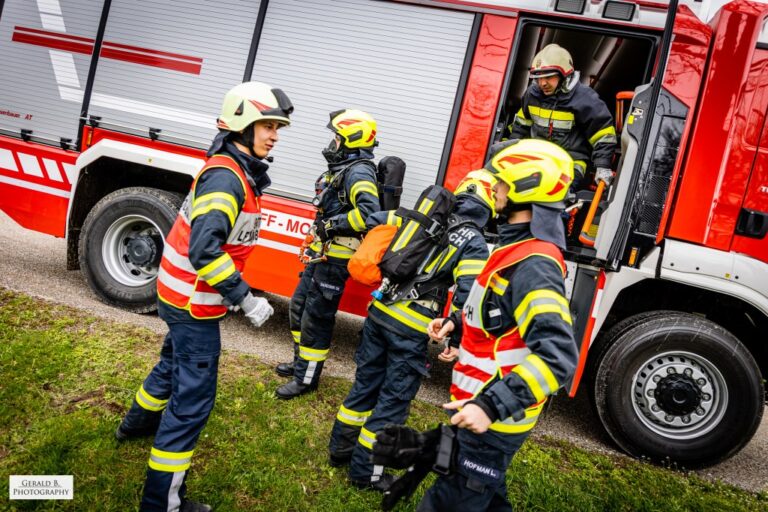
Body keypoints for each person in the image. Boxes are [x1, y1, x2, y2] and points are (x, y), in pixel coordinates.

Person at [114, 81, 293, 512]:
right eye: (267, 126)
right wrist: (245, 297)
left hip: (179, 297)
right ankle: (163, 504)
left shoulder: (232, 169)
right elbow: (205, 250)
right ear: (241, 126)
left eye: (277, 128)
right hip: (193, 304)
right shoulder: (227, 179)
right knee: (191, 405)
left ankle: (134, 426)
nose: (274, 135)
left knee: (170, 364)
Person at [419, 138, 579, 511]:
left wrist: (490, 406)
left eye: (503, 182)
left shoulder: (535, 264)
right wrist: (456, 323)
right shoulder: (514, 248)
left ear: (526, 186)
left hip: (492, 422)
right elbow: (498, 315)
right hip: (479, 410)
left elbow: (558, 356)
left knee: (448, 503)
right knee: (488, 499)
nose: (495, 189)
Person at [328, 170, 497, 490]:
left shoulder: (421, 215)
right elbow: (468, 296)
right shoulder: (473, 241)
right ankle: (366, 474)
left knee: (364, 386)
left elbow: (373, 219)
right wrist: (456, 337)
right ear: (489, 203)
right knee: (392, 401)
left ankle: (340, 450)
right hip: (411, 327)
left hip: (379, 312)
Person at [275, 109, 381, 399]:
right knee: (299, 307)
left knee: (317, 317)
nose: (332, 143)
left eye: (336, 137)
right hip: (321, 253)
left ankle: (307, 379)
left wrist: (332, 225)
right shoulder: (345, 168)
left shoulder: (359, 171)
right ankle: (301, 363)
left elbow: (370, 214)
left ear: (350, 139)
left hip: (336, 258)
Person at [508, 43, 617, 190]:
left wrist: (602, 166)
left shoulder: (585, 98)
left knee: (555, 198)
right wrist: (508, 150)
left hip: (570, 164)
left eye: (549, 77)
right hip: (536, 161)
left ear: (565, 75)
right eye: (539, 78)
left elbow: (603, 134)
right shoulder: (532, 95)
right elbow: (520, 127)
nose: (542, 83)